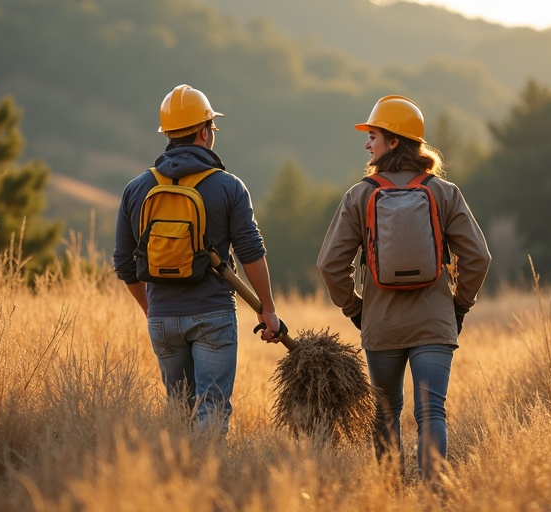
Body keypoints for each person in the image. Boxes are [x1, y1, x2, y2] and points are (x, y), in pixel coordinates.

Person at [317, 95, 490, 481]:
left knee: (385, 412)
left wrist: (357, 309)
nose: (367, 143)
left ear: (394, 141)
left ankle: (390, 494)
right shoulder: (445, 192)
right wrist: (458, 305)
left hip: (381, 326)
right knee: (432, 412)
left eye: (373, 135)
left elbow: (330, 264)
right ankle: (433, 494)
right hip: (434, 323)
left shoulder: (359, 195)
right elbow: (479, 258)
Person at [114, 84, 281, 433]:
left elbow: (124, 264)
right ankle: (205, 482)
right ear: (205, 132)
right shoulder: (228, 186)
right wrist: (267, 308)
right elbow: (250, 251)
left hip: (161, 317)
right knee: (212, 409)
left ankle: (177, 481)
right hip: (213, 315)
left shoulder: (136, 188)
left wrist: (152, 310)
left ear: (168, 134)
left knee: (178, 413)